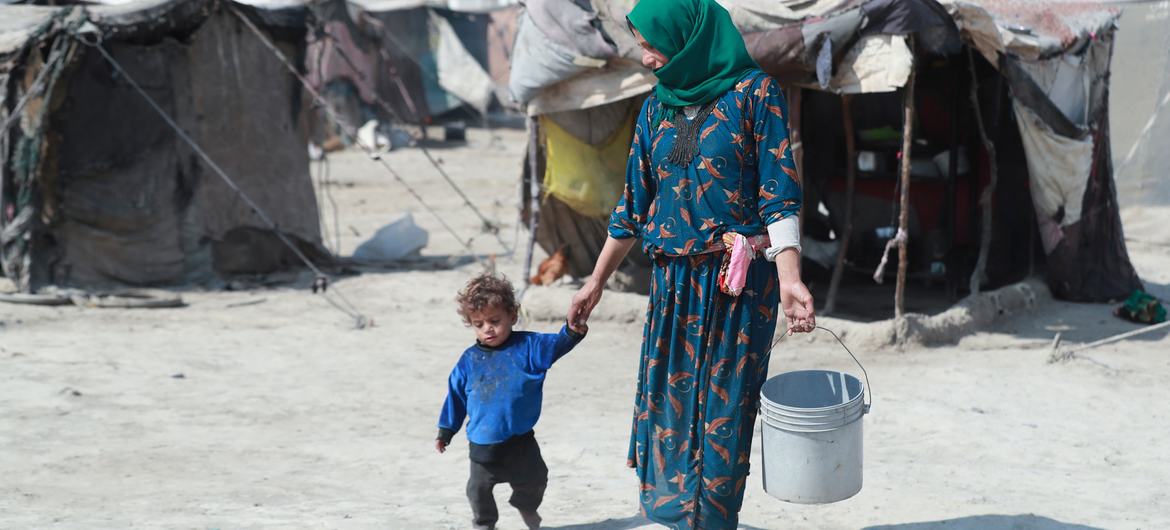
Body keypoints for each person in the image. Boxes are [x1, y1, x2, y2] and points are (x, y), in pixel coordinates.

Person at [566, 0, 816, 528]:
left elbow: (779, 197)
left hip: (736, 288)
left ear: (687, 37)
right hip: (672, 285)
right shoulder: (656, 108)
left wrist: (791, 278)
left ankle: (712, 520)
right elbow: (632, 207)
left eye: (652, 44)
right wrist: (595, 282)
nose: (646, 57)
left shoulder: (755, 95)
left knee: (724, 417)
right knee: (669, 409)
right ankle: (673, 518)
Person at [437, 273, 587, 530]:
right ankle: (485, 524)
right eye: (478, 323)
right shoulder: (468, 361)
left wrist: (572, 331)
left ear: (512, 316)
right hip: (483, 444)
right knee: (478, 490)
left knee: (536, 480)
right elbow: (456, 397)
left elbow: (557, 345)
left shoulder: (529, 347)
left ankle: (525, 506)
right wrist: (446, 430)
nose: (488, 328)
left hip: (521, 442)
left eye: (495, 320)